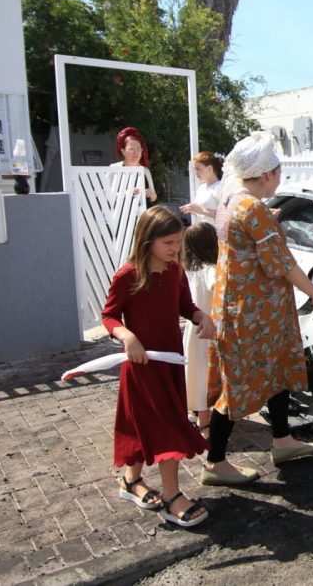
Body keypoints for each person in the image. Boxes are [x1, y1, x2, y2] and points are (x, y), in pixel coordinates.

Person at [204, 133, 313, 486]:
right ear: (266, 175)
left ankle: (283, 440)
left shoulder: (231, 200)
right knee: (238, 383)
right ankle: (214, 462)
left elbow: (248, 237)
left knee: (275, 371)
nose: (280, 178)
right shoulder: (253, 209)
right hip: (255, 312)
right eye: (278, 172)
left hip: (243, 305)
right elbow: (282, 264)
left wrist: (267, 220)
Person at [102, 206, 214, 528]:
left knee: (143, 425)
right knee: (165, 427)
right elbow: (109, 316)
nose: (175, 249)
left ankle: (130, 481)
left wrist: (201, 317)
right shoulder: (128, 276)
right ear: (148, 240)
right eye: (168, 243)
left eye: (178, 242)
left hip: (171, 364)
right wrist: (127, 336)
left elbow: (185, 306)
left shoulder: (176, 272)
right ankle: (172, 497)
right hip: (142, 367)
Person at [182, 222, 218, 436]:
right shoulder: (211, 270)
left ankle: (194, 413)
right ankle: (205, 424)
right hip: (210, 329)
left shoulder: (188, 269)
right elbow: (218, 290)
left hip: (192, 329)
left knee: (194, 371)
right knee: (207, 374)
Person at [111, 127, 157, 202]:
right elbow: (105, 196)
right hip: (118, 212)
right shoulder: (114, 168)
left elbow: (154, 197)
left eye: (138, 149)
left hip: (142, 213)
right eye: (131, 149)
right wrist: (126, 193)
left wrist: (151, 195)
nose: (136, 152)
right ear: (123, 151)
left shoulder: (145, 171)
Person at [180, 152, 223, 225]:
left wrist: (201, 210)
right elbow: (201, 213)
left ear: (209, 168)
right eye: (195, 169)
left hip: (216, 233)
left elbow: (226, 215)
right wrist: (191, 209)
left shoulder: (220, 187)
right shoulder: (201, 187)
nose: (195, 172)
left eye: (198, 169)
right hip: (203, 231)